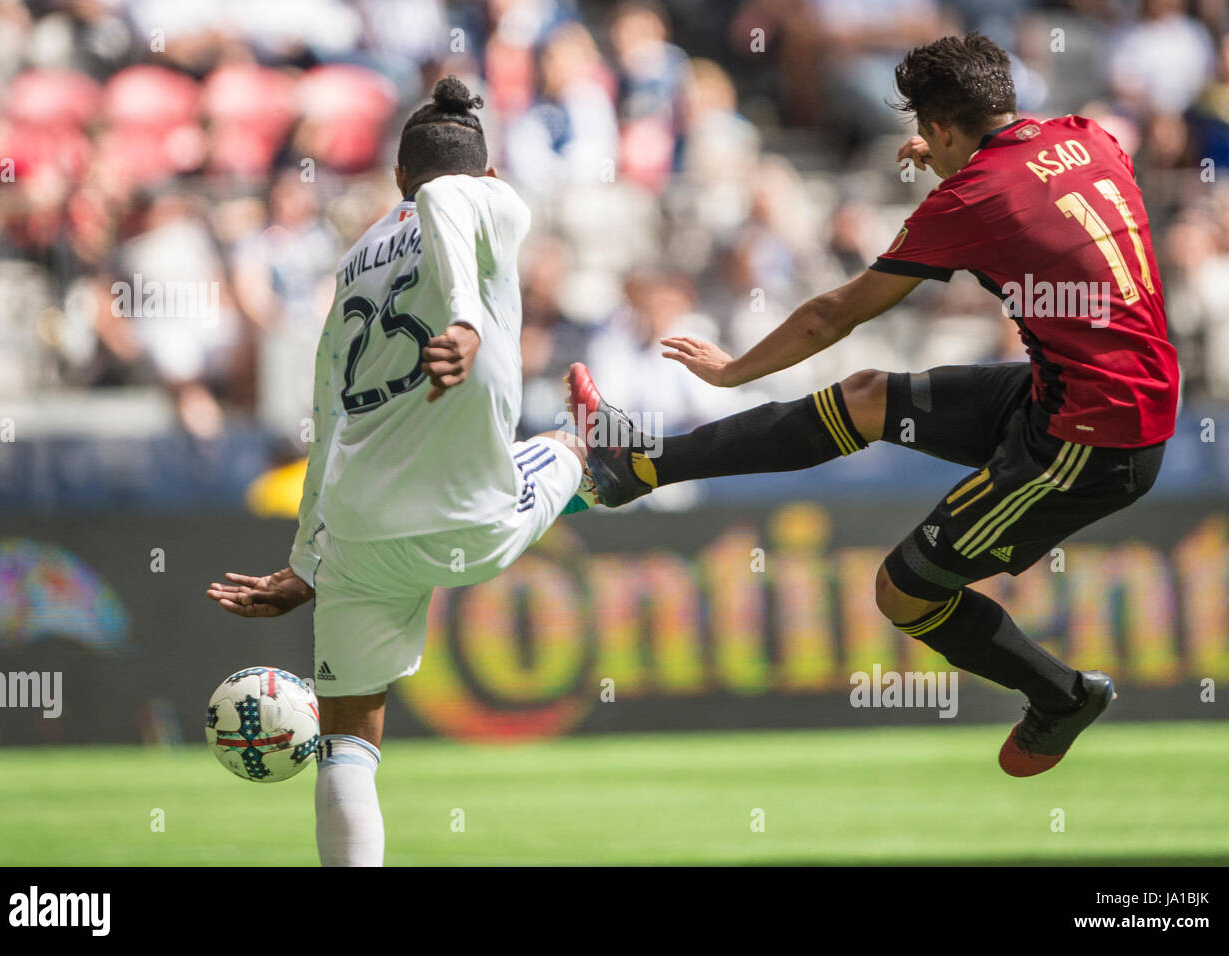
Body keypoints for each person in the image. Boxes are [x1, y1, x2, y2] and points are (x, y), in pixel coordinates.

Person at [567, 33, 1178, 778]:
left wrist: (733, 372)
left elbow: (835, 314)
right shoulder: (1085, 137)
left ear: (944, 127)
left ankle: (1060, 697)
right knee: (866, 399)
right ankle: (640, 468)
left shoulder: (973, 193)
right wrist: (956, 163)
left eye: (931, 134)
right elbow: (1041, 205)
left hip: (1092, 437)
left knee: (905, 591)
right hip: (1082, 388)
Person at [205, 78, 589, 865]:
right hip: (471, 517)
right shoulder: (487, 199)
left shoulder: (353, 261)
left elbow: (327, 415)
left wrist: (304, 561)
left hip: (357, 528)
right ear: (489, 174)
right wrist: (468, 318)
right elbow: (449, 197)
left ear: (394, 182)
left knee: (347, 739)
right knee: (578, 442)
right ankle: (590, 455)